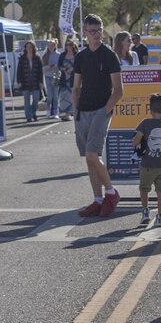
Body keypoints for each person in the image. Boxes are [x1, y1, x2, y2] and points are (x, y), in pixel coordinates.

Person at [73, 14, 124, 217]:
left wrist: (105, 111)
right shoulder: (81, 57)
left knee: (93, 154)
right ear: (85, 32)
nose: (96, 35)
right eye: (92, 31)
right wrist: (75, 110)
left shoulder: (109, 55)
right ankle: (97, 199)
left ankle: (111, 193)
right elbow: (76, 87)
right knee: (89, 158)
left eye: (99, 30)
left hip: (100, 111)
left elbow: (119, 90)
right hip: (82, 111)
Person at [132, 93, 161, 225]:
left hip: (147, 164)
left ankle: (145, 211)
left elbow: (136, 141)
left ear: (150, 110)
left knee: (144, 188)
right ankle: (160, 216)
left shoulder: (145, 123)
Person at [16, 40, 44, 122]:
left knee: (36, 99)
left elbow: (40, 71)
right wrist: (19, 82)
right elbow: (19, 71)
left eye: (30, 47)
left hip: (35, 82)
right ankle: (28, 117)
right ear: (25, 48)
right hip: (25, 82)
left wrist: (41, 82)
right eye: (27, 47)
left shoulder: (37, 58)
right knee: (26, 101)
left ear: (33, 48)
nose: (29, 48)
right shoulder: (22, 58)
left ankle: (33, 112)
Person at [57, 40, 78, 121]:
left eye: (70, 45)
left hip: (74, 79)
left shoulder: (77, 55)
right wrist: (64, 69)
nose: (68, 46)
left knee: (74, 96)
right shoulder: (62, 55)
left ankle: (75, 113)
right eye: (67, 45)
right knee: (64, 97)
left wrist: (72, 69)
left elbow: (80, 65)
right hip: (64, 79)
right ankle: (67, 114)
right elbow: (59, 66)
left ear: (73, 46)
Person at [43, 39, 62, 119]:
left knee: (55, 96)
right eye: (49, 45)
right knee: (49, 96)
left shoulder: (58, 55)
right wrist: (49, 66)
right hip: (48, 77)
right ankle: (48, 112)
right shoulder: (45, 55)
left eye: (52, 45)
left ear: (55, 46)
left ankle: (55, 113)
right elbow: (43, 68)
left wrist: (54, 66)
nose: (50, 47)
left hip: (56, 77)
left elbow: (60, 65)